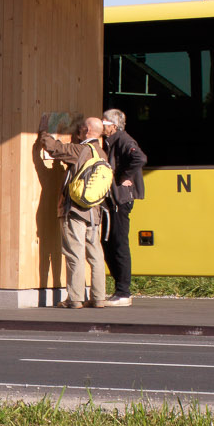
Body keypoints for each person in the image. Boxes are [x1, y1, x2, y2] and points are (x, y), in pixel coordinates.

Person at [37, 115, 111, 309]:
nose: (78, 130)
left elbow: (54, 148)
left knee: (74, 253)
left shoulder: (80, 150)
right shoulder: (101, 154)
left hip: (75, 211)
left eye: (80, 128)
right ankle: (98, 297)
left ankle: (75, 298)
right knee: (95, 255)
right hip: (94, 213)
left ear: (87, 131)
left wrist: (44, 132)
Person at [100, 107, 148, 308]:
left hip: (121, 199)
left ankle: (123, 292)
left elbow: (140, 158)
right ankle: (119, 289)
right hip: (116, 200)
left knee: (119, 243)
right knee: (108, 243)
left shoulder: (123, 140)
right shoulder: (112, 140)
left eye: (104, 122)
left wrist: (122, 177)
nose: (101, 126)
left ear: (113, 125)